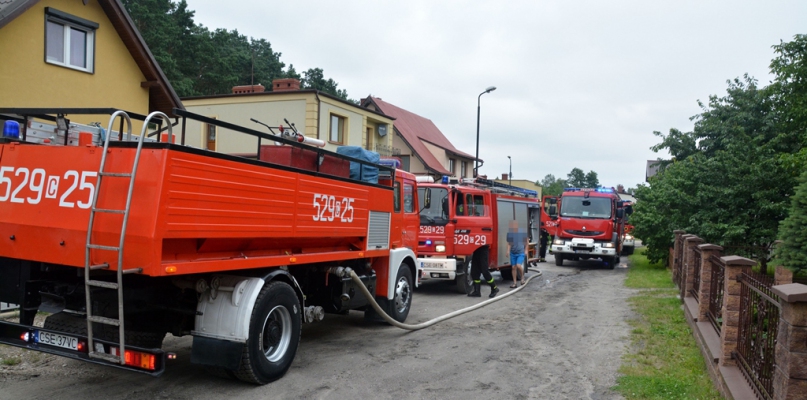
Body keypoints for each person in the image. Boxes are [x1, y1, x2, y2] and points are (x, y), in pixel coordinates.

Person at [507, 220, 528, 287]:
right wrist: (508, 251)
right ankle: (515, 283)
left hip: (520, 252)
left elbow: (526, 242)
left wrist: (526, 250)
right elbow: (509, 244)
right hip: (513, 253)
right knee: (513, 267)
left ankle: (522, 277)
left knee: (518, 266)